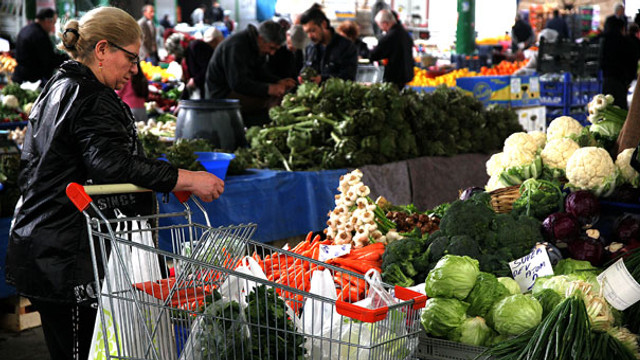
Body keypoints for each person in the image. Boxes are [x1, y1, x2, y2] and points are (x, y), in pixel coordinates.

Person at [5, 7, 224, 360]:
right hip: (68, 255)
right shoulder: (91, 96)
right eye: (131, 58)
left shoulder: (60, 84)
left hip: (47, 248)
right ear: (103, 50)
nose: (134, 70)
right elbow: (112, 164)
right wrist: (187, 178)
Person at [205, 20, 296, 126]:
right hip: (221, 95)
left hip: (237, 89)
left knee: (277, 97)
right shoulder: (237, 46)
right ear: (261, 39)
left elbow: (260, 73)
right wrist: (270, 89)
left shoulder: (256, 46)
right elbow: (238, 83)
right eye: (271, 48)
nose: (272, 53)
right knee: (267, 103)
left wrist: (278, 81)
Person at [299, 5, 358, 83]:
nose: (310, 36)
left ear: (324, 24)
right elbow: (305, 68)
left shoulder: (347, 47)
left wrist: (323, 79)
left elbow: (348, 77)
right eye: (307, 32)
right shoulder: (310, 48)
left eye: (312, 30)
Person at [12, 8, 67, 84]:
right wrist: (67, 60)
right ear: (47, 21)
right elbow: (48, 60)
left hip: (20, 76)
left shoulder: (26, 29)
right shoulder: (39, 35)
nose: (53, 28)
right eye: (53, 23)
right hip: (32, 81)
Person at [369, 9, 414, 89]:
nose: (380, 28)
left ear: (385, 23)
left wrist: (364, 51)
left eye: (379, 25)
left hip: (395, 76)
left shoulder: (390, 37)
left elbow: (374, 55)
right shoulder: (404, 33)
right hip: (406, 74)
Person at [601, 16, 638, 110]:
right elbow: (633, 61)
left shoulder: (603, 40)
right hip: (620, 81)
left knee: (606, 107)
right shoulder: (627, 42)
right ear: (622, 29)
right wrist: (629, 79)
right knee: (620, 109)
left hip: (607, 79)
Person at [184, 27, 224, 98]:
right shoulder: (205, 50)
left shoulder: (221, 50)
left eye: (212, 42)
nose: (211, 44)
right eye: (209, 42)